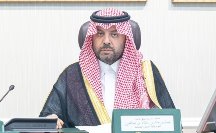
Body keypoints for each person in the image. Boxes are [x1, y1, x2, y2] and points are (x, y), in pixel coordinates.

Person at [40, 8, 174, 127]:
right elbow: (49, 115)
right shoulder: (73, 74)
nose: (106, 41)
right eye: (100, 34)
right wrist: (52, 119)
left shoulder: (146, 73)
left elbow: (170, 120)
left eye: (114, 34)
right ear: (91, 38)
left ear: (126, 38)